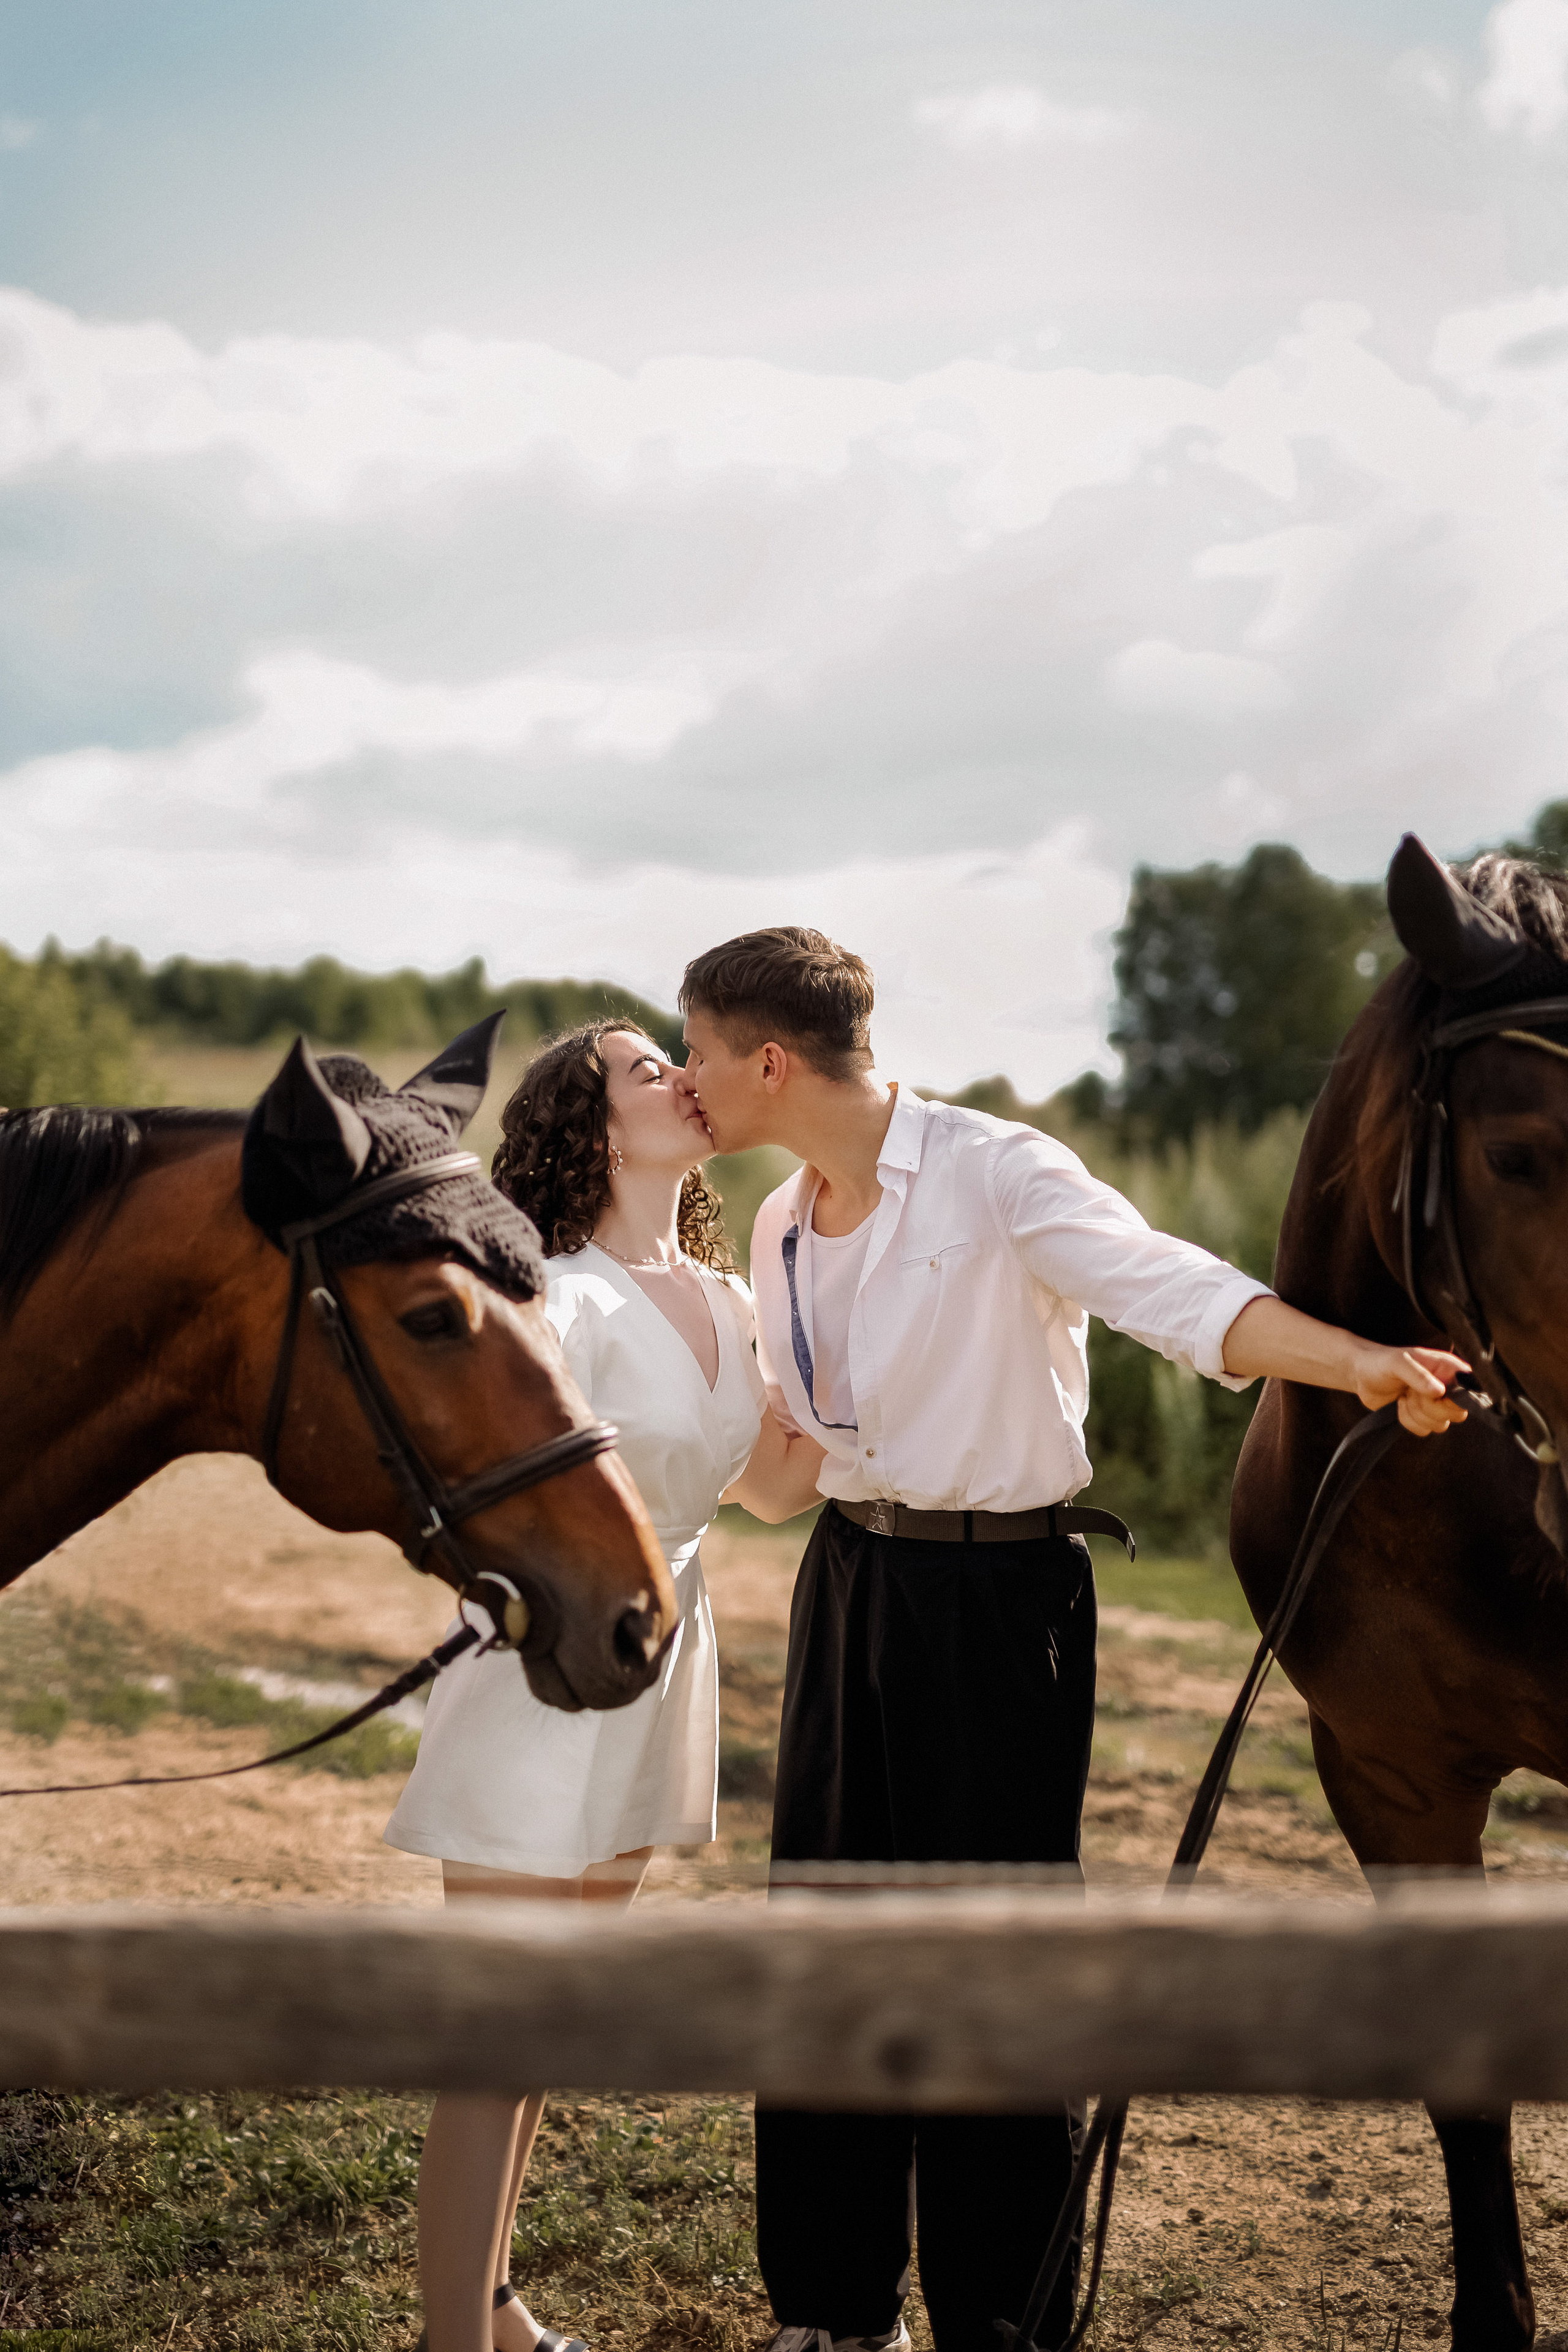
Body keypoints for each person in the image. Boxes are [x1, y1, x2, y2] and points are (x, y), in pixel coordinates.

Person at [676, 927, 1468, 2352]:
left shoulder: (995, 1172)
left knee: (993, 1953)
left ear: (769, 1061)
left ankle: (997, 2316)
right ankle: (831, 2307)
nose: (687, 1081)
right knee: (822, 1944)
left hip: (999, 1604)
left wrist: (1353, 1365)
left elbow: (1175, 1292)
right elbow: (793, 1461)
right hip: (848, 1588)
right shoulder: (785, 1224)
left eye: (698, 1052)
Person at [384, 1019, 823, 2352]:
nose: (678, 1080)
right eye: (645, 1070)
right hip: (547, 1671)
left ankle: (496, 2305)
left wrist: (852, 1397)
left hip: (669, 1654)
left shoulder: (731, 1296)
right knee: (497, 2033)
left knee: (551, 2015)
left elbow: (769, 1491)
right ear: (590, 1121)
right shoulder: (554, 1294)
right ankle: (450, 2343)